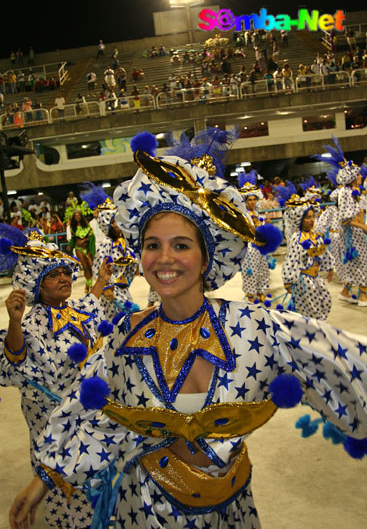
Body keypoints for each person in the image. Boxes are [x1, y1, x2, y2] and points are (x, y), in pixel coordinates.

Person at [10, 132, 367, 529]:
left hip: (232, 510)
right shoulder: (124, 338)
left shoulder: (254, 327)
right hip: (144, 508)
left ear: (205, 258)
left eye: (181, 245)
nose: (164, 259)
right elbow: (92, 416)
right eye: (151, 245)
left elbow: (341, 361)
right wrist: (40, 483)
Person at [0, 226, 113, 529]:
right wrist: (14, 321)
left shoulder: (74, 310)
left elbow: (91, 305)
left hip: (89, 417)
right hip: (52, 419)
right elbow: (16, 357)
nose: (64, 278)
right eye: (54, 275)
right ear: (38, 285)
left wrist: (101, 281)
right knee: (63, 480)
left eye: (65, 271)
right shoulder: (33, 323)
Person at [314, 137, 367, 306]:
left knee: (355, 264)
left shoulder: (353, 192)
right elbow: (344, 219)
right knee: (361, 263)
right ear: (351, 177)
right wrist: (363, 226)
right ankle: (363, 295)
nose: (360, 176)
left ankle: (346, 292)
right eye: (357, 174)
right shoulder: (345, 192)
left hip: (355, 235)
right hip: (352, 236)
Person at [81, 184, 140, 322]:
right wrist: (106, 287)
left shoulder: (122, 242)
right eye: (115, 221)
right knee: (118, 322)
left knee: (126, 322)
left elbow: (132, 259)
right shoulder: (106, 245)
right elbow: (98, 268)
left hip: (122, 288)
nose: (119, 224)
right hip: (112, 291)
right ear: (107, 224)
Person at [281, 197, 334, 320]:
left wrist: (330, 267)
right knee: (312, 308)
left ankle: (317, 326)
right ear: (300, 219)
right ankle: (316, 330)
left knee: (326, 301)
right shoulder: (297, 238)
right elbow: (291, 260)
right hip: (304, 280)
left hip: (316, 277)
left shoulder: (315, 235)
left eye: (312, 216)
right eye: (308, 217)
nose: (312, 220)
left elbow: (324, 252)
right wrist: (288, 281)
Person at [239, 170, 272, 303]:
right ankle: (250, 294)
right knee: (250, 271)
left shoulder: (258, 214)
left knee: (263, 269)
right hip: (250, 247)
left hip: (261, 246)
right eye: (249, 200)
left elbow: (261, 224)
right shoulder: (243, 215)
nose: (252, 202)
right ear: (245, 201)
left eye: (254, 199)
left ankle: (261, 290)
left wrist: (266, 222)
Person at [66, 208, 95, 292]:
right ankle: (90, 285)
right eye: (76, 215)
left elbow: (91, 237)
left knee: (90, 267)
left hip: (87, 248)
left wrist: (89, 242)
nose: (77, 216)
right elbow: (73, 239)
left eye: (79, 215)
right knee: (85, 267)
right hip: (79, 249)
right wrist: (70, 246)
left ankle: (87, 283)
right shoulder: (73, 228)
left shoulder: (87, 226)